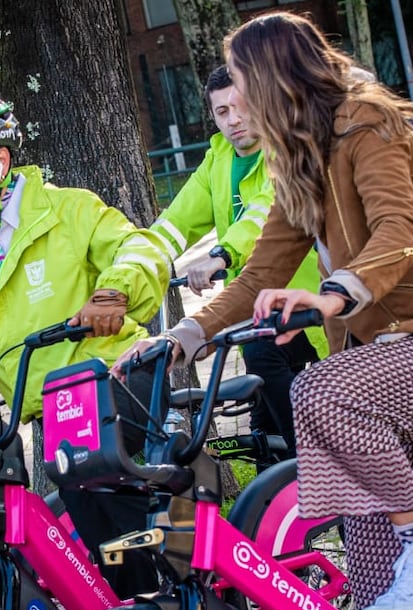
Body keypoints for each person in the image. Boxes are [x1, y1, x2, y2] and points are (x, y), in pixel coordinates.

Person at [119, 12, 413, 610]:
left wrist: (337, 292)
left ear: (273, 80)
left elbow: (401, 227)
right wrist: (184, 337)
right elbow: (259, 275)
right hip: (398, 355)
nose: (232, 105)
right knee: (360, 519)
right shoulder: (299, 159)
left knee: (320, 389)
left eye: (241, 85)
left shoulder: (365, 122)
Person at [0, 96, 172, 597]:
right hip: (52, 409)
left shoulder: (69, 209)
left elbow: (139, 246)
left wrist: (115, 291)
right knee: (103, 544)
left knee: (130, 538)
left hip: (111, 380)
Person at [150, 66, 325, 457]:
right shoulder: (218, 161)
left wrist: (221, 254)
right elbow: (174, 222)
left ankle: (317, 463)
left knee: (261, 358)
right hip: (254, 306)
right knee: (263, 426)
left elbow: (265, 212)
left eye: (240, 106)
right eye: (222, 111)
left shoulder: (285, 152)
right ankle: (276, 498)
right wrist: (134, 268)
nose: (234, 119)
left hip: (304, 303)